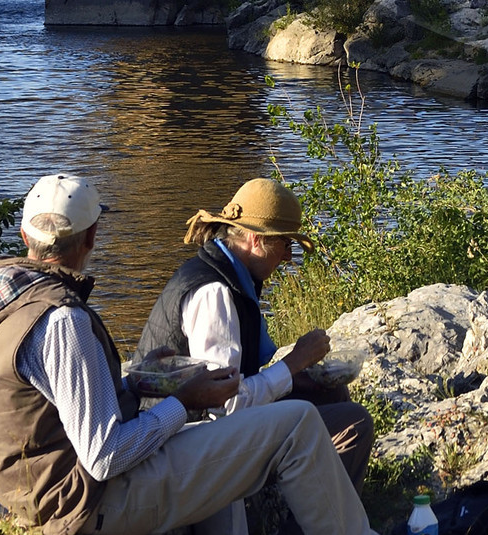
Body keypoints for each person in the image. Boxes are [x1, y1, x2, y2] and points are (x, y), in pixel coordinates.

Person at [0, 171, 448, 535]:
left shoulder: (5, 300)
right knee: (294, 424)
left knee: (216, 444)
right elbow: (103, 457)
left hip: (35, 491)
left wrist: (136, 383)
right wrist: (183, 403)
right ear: (92, 236)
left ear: (26, 233)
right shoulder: (64, 320)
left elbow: (60, 405)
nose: (289, 253)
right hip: (83, 500)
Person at [135, 178, 374, 492]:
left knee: (329, 395)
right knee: (353, 423)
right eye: (285, 243)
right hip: (180, 442)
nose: (288, 257)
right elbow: (224, 406)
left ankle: (304, 503)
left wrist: (301, 375)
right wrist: (292, 364)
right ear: (253, 239)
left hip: (200, 426)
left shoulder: (231, 276)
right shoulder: (215, 293)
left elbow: (233, 385)